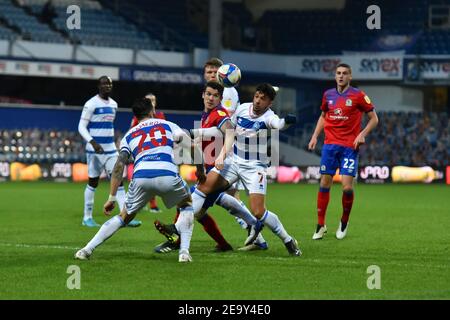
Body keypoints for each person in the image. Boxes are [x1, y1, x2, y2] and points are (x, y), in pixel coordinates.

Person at [75, 97, 198, 262]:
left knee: (123, 216)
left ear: (136, 116)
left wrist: (112, 197)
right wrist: (201, 171)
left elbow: (119, 166)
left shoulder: (129, 135)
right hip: (167, 174)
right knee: (186, 205)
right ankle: (184, 252)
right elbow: (191, 146)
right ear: (152, 111)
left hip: (140, 177)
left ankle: (86, 250)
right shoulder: (168, 125)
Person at [186, 83, 301, 256]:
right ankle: (182, 226)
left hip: (254, 167)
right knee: (203, 187)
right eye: (257, 96)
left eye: (263, 99)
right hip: (233, 161)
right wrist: (199, 134)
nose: (258, 101)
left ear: (269, 103)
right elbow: (227, 130)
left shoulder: (269, 117)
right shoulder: (241, 109)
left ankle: (288, 240)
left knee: (258, 211)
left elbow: (278, 124)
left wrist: (286, 121)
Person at [154, 81, 265, 253]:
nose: (210, 98)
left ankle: (176, 237)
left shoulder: (219, 112)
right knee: (218, 203)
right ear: (203, 95)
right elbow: (203, 141)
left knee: (188, 203)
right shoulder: (206, 116)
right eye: (208, 94)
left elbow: (230, 130)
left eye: (215, 95)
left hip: (219, 169)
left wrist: (219, 157)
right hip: (212, 168)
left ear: (220, 98)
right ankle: (251, 228)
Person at [308, 63, 379, 240]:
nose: (341, 76)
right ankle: (320, 225)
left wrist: (362, 134)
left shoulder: (358, 95)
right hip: (330, 146)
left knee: (347, 187)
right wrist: (315, 135)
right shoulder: (328, 95)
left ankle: (344, 221)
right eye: (338, 73)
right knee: (324, 183)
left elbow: (374, 119)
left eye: (345, 73)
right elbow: (323, 117)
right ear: (335, 76)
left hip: (349, 147)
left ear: (350, 76)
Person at [203, 58, 264, 250]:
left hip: (225, 149)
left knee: (222, 194)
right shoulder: (212, 93)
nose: (212, 74)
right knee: (224, 196)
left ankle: (256, 232)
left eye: (215, 71)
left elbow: (227, 123)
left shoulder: (227, 92)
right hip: (215, 148)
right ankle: (256, 234)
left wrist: (221, 152)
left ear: (224, 74)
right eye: (209, 72)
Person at [78, 76, 141, 227]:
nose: (107, 86)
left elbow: (108, 127)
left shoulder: (114, 104)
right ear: (98, 86)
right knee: (93, 182)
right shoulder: (91, 104)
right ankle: (87, 218)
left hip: (111, 149)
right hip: (95, 151)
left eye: (109, 84)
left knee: (118, 181)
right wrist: (92, 142)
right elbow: (81, 126)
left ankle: (125, 216)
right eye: (104, 84)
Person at [130, 93, 165, 213]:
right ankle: (141, 202)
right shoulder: (137, 117)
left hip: (156, 150)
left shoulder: (160, 116)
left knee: (153, 176)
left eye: (153, 100)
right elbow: (131, 131)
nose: (152, 102)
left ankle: (151, 204)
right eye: (149, 100)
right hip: (142, 151)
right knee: (141, 177)